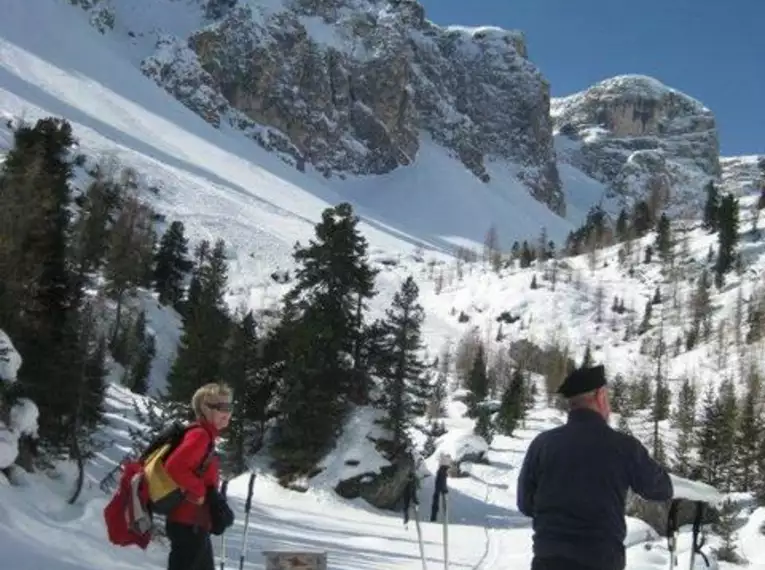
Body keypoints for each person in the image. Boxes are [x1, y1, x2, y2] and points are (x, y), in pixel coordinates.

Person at [516, 365, 673, 570]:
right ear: (600, 396)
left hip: (548, 561)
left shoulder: (542, 444)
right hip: (600, 561)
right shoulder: (623, 447)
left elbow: (525, 504)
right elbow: (661, 489)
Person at [163, 383, 233, 570]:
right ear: (205, 409)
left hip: (194, 523)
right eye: (221, 407)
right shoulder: (200, 435)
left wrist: (213, 501)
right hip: (188, 523)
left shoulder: (206, 436)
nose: (228, 412)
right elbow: (174, 467)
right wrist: (202, 492)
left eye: (230, 407)